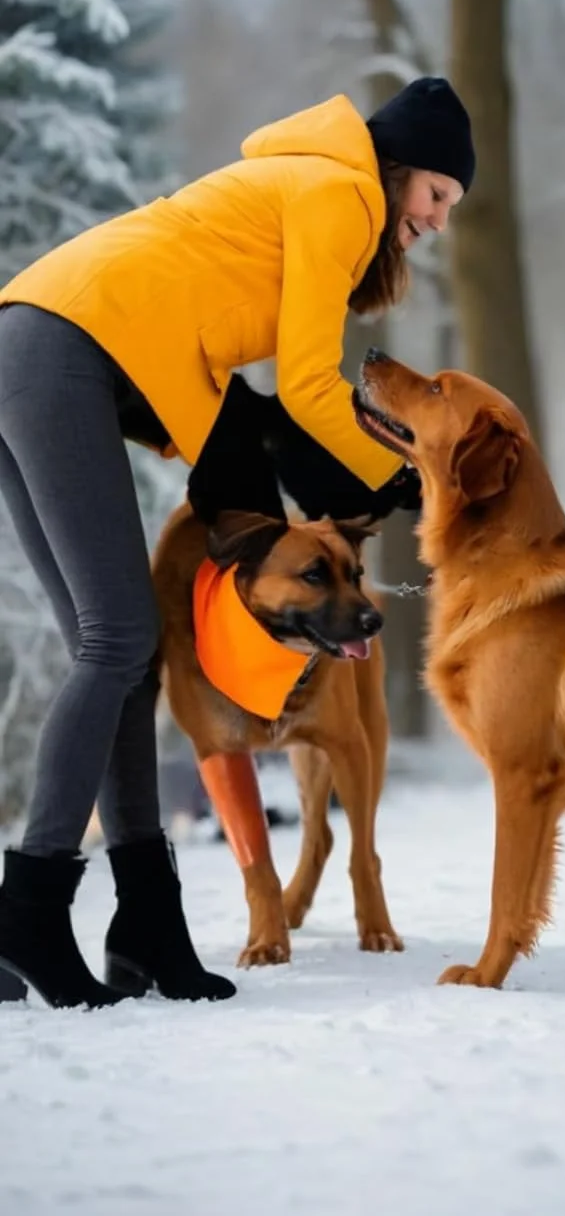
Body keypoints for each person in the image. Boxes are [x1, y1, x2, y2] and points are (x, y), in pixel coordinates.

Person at [0, 76, 475, 1009]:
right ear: (400, 167)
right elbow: (306, 386)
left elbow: (253, 389)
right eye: (437, 195)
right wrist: (405, 477)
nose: (439, 219)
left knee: (124, 657)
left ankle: (146, 919)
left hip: (37, 343)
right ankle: (28, 907)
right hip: (59, 350)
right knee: (117, 642)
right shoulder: (341, 193)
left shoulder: (307, 187)